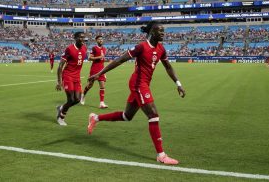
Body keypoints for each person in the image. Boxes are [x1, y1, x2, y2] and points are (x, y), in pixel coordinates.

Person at [86, 22, 186, 165]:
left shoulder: (161, 49)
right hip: (138, 84)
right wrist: (99, 73)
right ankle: (161, 155)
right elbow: (120, 59)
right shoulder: (141, 47)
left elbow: (168, 67)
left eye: (164, 31)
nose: (163, 33)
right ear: (152, 32)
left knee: (127, 116)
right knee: (153, 115)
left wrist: (178, 84)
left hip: (144, 84)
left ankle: (96, 118)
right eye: (160, 30)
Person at [55, 32, 87, 126]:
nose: (83, 39)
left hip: (77, 77)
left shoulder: (84, 48)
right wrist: (59, 81)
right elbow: (60, 66)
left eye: (84, 37)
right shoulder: (69, 49)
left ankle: (61, 107)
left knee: (77, 99)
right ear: (75, 38)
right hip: (68, 75)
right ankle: (61, 117)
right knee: (71, 99)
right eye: (81, 37)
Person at [81, 35, 108, 108]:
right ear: (96, 40)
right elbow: (89, 58)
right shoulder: (94, 48)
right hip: (94, 69)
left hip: (102, 69)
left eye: (101, 39)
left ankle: (101, 103)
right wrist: (99, 57)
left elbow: (102, 59)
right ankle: (83, 95)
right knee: (90, 85)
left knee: (102, 86)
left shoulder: (105, 49)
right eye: (99, 39)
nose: (101, 40)